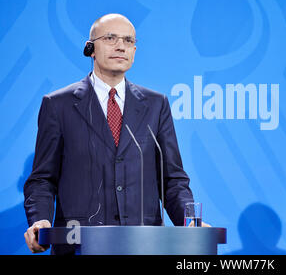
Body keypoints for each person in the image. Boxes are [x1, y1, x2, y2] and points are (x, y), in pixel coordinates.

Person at [24, 13, 200, 254]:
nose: (120, 46)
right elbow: (42, 179)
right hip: (79, 244)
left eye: (128, 41)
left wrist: (189, 222)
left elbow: (173, 180)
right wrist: (40, 220)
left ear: (135, 50)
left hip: (144, 245)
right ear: (91, 48)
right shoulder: (58, 105)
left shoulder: (156, 105)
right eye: (110, 38)